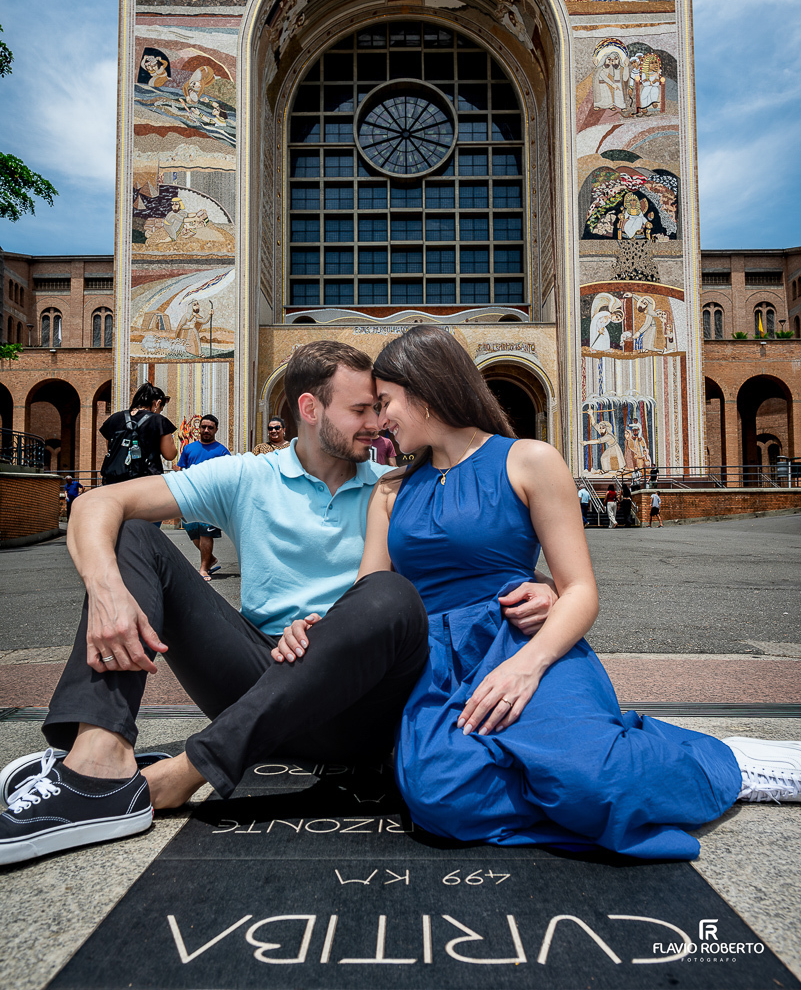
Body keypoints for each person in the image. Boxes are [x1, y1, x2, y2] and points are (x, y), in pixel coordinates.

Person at [357, 326, 801, 860]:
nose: (381, 421)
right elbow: (371, 594)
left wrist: (529, 665)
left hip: (524, 644)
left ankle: (728, 764)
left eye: (386, 403)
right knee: (439, 798)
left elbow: (581, 591)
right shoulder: (389, 490)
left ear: (423, 388)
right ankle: (602, 770)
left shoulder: (529, 460)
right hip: (433, 663)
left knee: (592, 779)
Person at [0, 342, 429, 866]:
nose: (376, 424)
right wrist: (106, 590)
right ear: (310, 409)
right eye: (361, 410)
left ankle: (180, 772)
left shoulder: (395, 490)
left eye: (377, 409)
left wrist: (543, 588)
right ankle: (99, 759)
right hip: (259, 675)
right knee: (134, 536)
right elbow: (97, 502)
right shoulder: (250, 475)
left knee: (389, 596)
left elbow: (468, 566)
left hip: (354, 706)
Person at [176, 414, 230, 581]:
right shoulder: (189, 449)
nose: (206, 430)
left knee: (206, 533)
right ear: (199, 429)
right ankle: (210, 559)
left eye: (210, 428)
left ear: (216, 430)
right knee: (193, 532)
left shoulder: (221, 451)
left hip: (210, 498)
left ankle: (204, 569)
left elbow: (229, 473)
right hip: (190, 497)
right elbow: (180, 470)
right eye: (203, 427)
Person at [100, 382, 177, 485]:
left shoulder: (115, 418)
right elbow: (169, 454)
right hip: (146, 481)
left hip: (115, 481)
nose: (159, 412)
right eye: (160, 409)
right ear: (157, 403)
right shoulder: (158, 420)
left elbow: (110, 448)